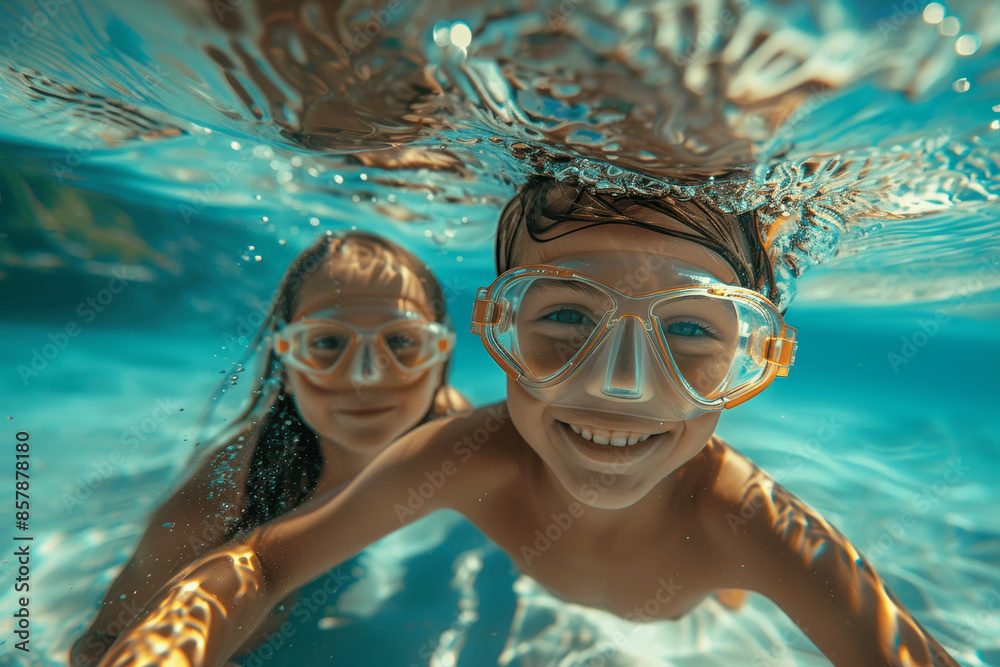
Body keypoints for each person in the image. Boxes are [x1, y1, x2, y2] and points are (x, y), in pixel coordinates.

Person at [97, 177, 958, 667]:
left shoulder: (748, 524)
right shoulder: (470, 454)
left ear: (760, 357)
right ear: (493, 328)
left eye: (691, 329)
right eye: (566, 319)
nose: (621, 389)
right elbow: (263, 561)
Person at [71, 230, 469, 666]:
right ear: (286, 362)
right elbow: (100, 647)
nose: (366, 376)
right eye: (328, 342)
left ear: (439, 353)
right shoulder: (213, 513)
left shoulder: (450, 428)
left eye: (400, 341)